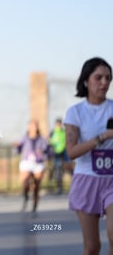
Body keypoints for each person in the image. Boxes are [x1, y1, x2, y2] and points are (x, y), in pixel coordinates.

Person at [64, 57, 113, 255]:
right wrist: (102, 137)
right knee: (92, 247)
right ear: (86, 80)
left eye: (108, 78)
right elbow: (71, 152)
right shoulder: (75, 112)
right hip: (87, 180)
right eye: (98, 77)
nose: (104, 82)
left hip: (111, 180)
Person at [15, 119, 48, 213]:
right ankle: (25, 197)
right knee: (25, 182)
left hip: (38, 163)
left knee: (36, 186)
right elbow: (18, 149)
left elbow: (47, 151)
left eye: (35, 125)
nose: (33, 127)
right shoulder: (24, 137)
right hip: (27, 162)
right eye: (31, 125)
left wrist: (43, 153)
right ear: (28, 127)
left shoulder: (41, 139)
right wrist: (16, 146)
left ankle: (34, 205)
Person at [48, 118, 69, 195]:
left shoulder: (64, 132)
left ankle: (74, 186)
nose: (59, 125)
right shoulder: (53, 132)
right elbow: (50, 142)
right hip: (56, 154)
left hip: (65, 153)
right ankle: (58, 187)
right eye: (57, 124)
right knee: (58, 171)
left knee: (69, 169)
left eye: (60, 124)